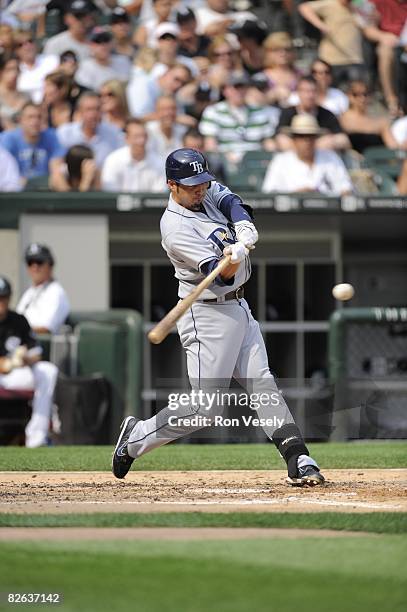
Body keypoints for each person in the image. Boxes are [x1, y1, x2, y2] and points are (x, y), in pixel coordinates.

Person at [112, 147, 325, 488]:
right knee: (204, 409)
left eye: (202, 182)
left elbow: (231, 201)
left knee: (263, 385)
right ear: (171, 185)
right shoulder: (174, 228)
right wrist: (234, 257)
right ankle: (136, 436)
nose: (200, 190)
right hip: (206, 315)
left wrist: (243, 224)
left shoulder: (205, 192)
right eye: (191, 185)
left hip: (239, 308)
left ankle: (297, 457)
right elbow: (222, 276)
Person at [0, 275, 58, 448]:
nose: (1, 302)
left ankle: (36, 438)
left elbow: (37, 352)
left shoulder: (18, 320)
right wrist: (5, 363)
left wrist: (25, 358)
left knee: (48, 371)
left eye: (3, 297)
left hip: (15, 374)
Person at [262, 114, 353, 195]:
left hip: (328, 213)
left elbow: (346, 190)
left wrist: (322, 196)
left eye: (310, 136)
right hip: (291, 213)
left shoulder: (331, 158)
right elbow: (269, 193)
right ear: (293, 139)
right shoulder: (281, 161)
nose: (307, 141)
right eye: (301, 137)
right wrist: (297, 196)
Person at [199, 73, 278, 159]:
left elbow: (268, 142)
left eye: (244, 87)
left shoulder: (260, 112)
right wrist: (224, 159)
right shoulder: (213, 112)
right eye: (236, 87)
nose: (240, 91)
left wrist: (271, 157)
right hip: (225, 162)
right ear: (225, 90)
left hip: (256, 161)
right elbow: (210, 145)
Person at [276, 75, 351, 151]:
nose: (310, 96)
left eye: (313, 91)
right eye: (306, 91)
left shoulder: (327, 114)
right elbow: (279, 137)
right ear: (298, 93)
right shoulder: (287, 113)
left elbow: (343, 139)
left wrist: (330, 141)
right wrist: (305, 148)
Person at [298, 0, 365, 86]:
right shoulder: (330, 3)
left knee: (356, 93)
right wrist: (320, 25)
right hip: (331, 60)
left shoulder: (359, 6)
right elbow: (304, 8)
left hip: (354, 59)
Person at [0, 101, 65, 183]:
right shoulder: (8, 139)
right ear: (21, 120)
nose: (35, 121)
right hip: (16, 188)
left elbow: (56, 166)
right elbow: (5, 171)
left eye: (39, 117)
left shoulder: (51, 137)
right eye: (30, 117)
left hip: (45, 186)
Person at [57, 91, 125, 167]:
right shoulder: (65, 133)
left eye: (97, 109)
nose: (93, 114)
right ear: (80, 112)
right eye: (89, 109)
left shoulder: (114, 133)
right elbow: (58, 163)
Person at [17, 243, 70, 334]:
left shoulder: (55, 292)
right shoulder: (29, 292)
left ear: (50, 265)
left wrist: (13, 331)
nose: (34, 267)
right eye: (30, 263)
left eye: (39, 262)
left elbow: (46, 329)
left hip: (41, 346)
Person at [101, 118, 166, 192]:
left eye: (144, 136)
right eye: (136, 137)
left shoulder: (159, 162)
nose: (142, 140)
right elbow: (110, 192)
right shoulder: (113, 160)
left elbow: (159, 194)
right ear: (126, 138)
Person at [339, 80, 394, 153]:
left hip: (377, 160)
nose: (362, 98)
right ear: (348, 96)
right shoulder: (341, 120)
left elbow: (392, 146)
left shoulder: (379, 121)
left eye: (365, 94)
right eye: (356, 94)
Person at [75, 26, 131, 92]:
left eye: (106, 40)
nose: (103, 45)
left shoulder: (124, 61)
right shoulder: (85, 66)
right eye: (97, 41)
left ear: (112, 43)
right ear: (90, 45)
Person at [15, 30, 59, 104]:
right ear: (15, 50)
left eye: (30, 41)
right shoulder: (15, 69)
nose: (27, 46)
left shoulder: (53, 61)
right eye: (20, 44)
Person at [0, 53, 28, 130]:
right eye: (9, 69)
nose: (14, 73)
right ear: (1, 72)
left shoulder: (27, 96)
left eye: (17, 69)